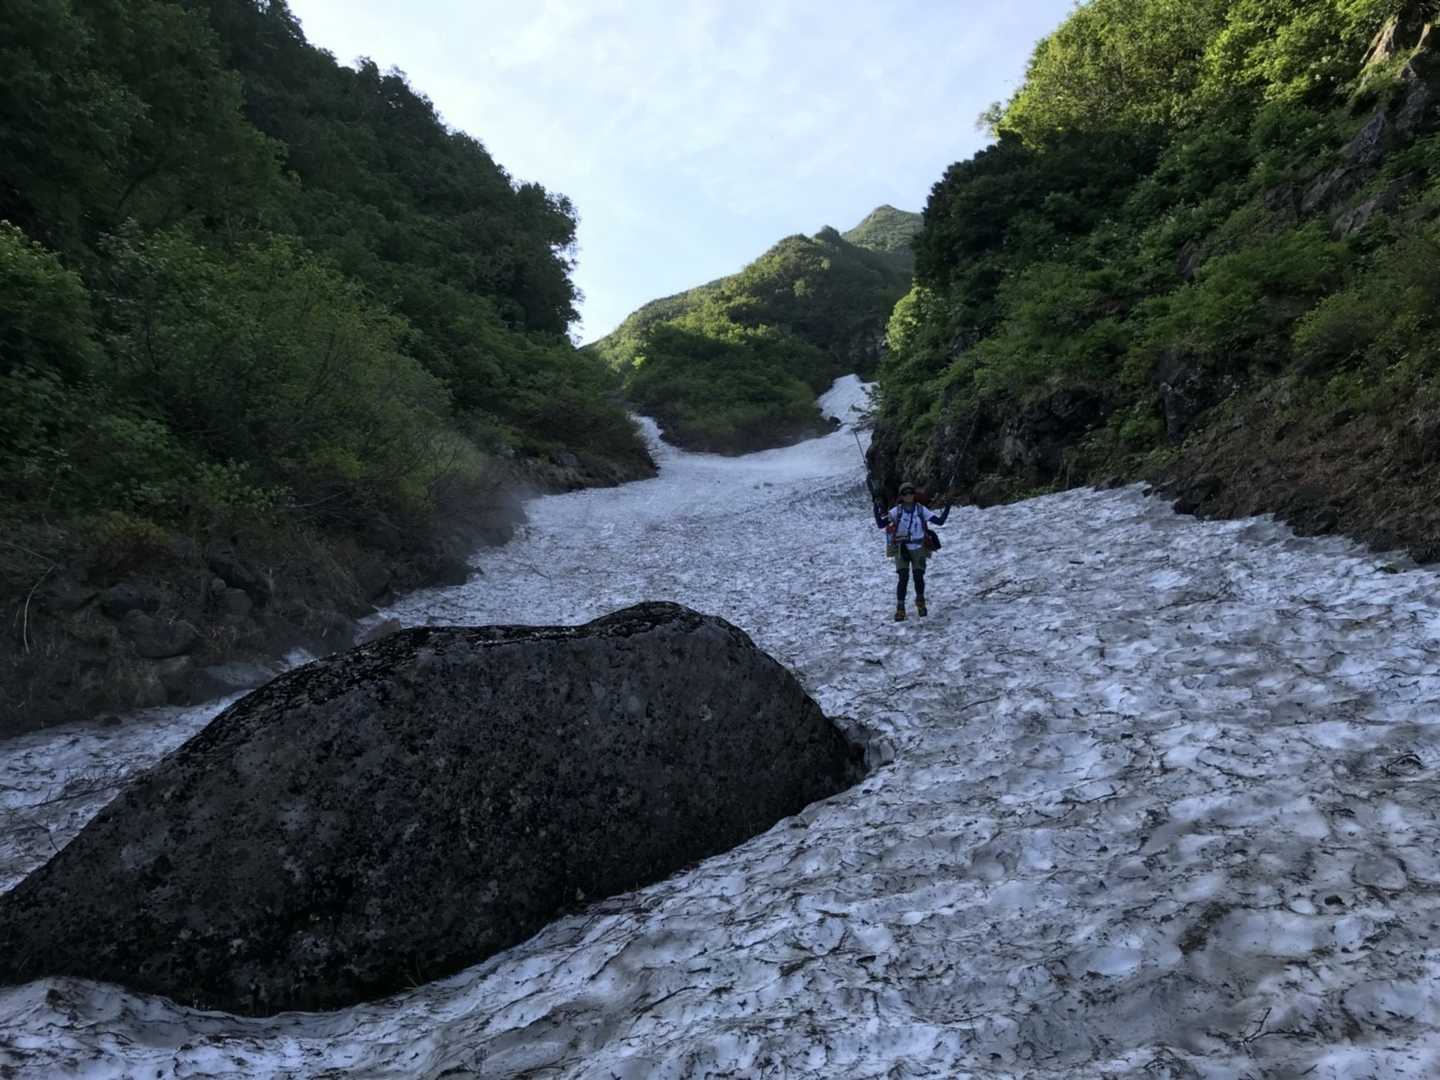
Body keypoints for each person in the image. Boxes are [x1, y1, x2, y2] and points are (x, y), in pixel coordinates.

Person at [873, 481, 950, 621]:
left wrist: (948, 505)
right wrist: (875, 507)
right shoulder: (897, 511)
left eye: (910, 493)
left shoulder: (921, 510)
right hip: (901, 548)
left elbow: (939, 522)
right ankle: (901, 608)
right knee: (903, 578)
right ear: (901, 496)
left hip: (919, 547)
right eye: (905, 493)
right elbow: (880, 524)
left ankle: (920, 602)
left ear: (914, 494)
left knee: (918, 577)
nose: (908, 495)